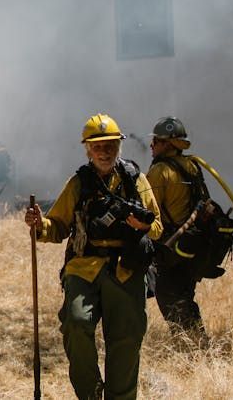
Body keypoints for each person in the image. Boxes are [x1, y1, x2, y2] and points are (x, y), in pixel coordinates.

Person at [25, 113, 162, 400]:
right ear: (88, 149)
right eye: (97, 146)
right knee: (76, 322)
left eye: (110, 145)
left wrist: (143, 226)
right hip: (83, 267)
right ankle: (90, 392)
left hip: (126, 268)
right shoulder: (78, 183)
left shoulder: (137, 180)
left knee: (126, 340)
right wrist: (39, 225)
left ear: (118, 146)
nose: (104, 151)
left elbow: (158, 227)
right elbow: (57, 225)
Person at [145, 116, 206, 337]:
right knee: (184, 294)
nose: (151, 146)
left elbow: (147, 210)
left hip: (170, 246)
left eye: (156, 142)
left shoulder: (160, 171)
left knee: (169, 295)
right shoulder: (192, 165)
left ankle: (192, 343)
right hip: (192, 243)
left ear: (168, 144)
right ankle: (197, 341)